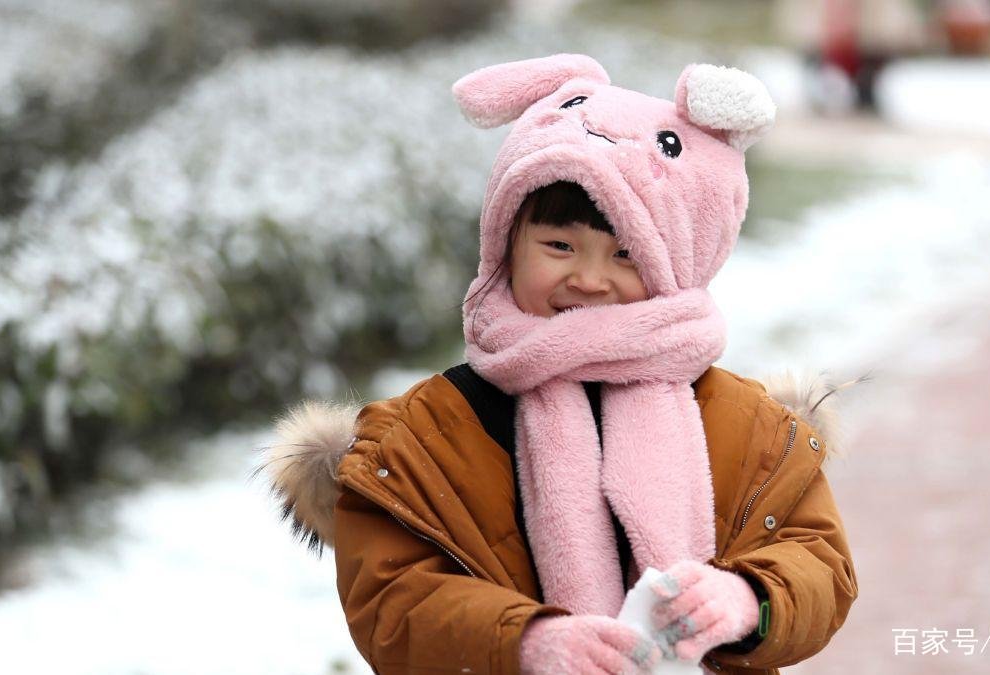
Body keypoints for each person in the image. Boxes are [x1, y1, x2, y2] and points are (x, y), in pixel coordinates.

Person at [263, 54, 858, 674]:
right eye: (559, 245)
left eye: (627, 254)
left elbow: (819, 564)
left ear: (681, 262)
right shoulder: (422, 437)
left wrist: (747, 598)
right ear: (505, 243)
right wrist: (524, 643)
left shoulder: (750, 428)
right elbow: (392, 600)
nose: (590, 279)